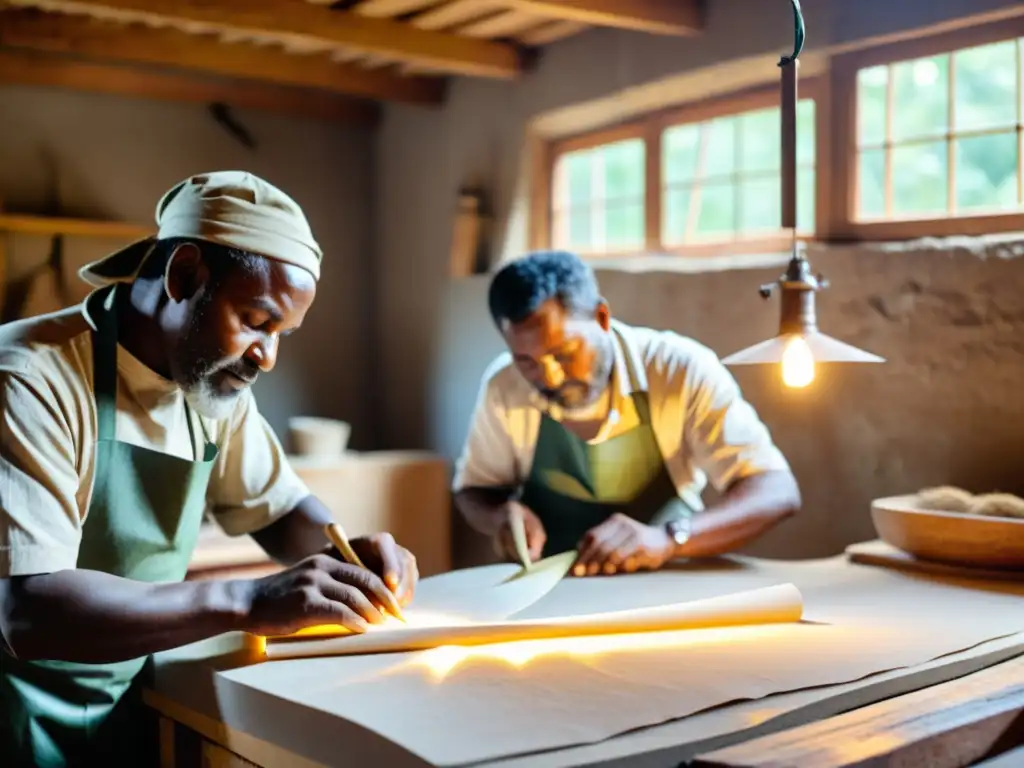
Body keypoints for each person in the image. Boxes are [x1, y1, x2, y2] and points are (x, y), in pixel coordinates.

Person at [0, 171, 419, 767]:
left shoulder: (210, 386)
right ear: (184, 275)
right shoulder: (28, 377)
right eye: (256, 320)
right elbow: (31, 612)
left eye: (284, 335)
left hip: (132, 695)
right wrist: (248, 600)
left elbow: (278, 509)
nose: (267, 357)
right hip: (21, 715)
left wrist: (349, 557)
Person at [454, 250, 800, 577]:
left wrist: (668, 539)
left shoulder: (678, 369)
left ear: (602, 318)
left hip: (668, 584)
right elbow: (473, 491)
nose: (550, 377)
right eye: (526, 361)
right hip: (553, 591)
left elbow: (777, 490)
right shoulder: (504, 386)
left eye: (564, 352)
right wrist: (500, 515)